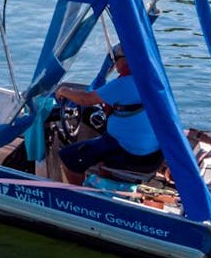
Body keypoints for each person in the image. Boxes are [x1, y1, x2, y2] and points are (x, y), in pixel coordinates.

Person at [54, 45, 162, 185]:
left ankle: (80, 197)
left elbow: (84, 99)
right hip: (152, 153)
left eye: (115, 59)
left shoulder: (122, 84)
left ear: (126, 61)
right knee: (99, 147)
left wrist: (63, 90)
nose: (114, 63)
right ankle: (106, 184)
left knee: (68, 158)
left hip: (129, 151)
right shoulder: (152, 80)